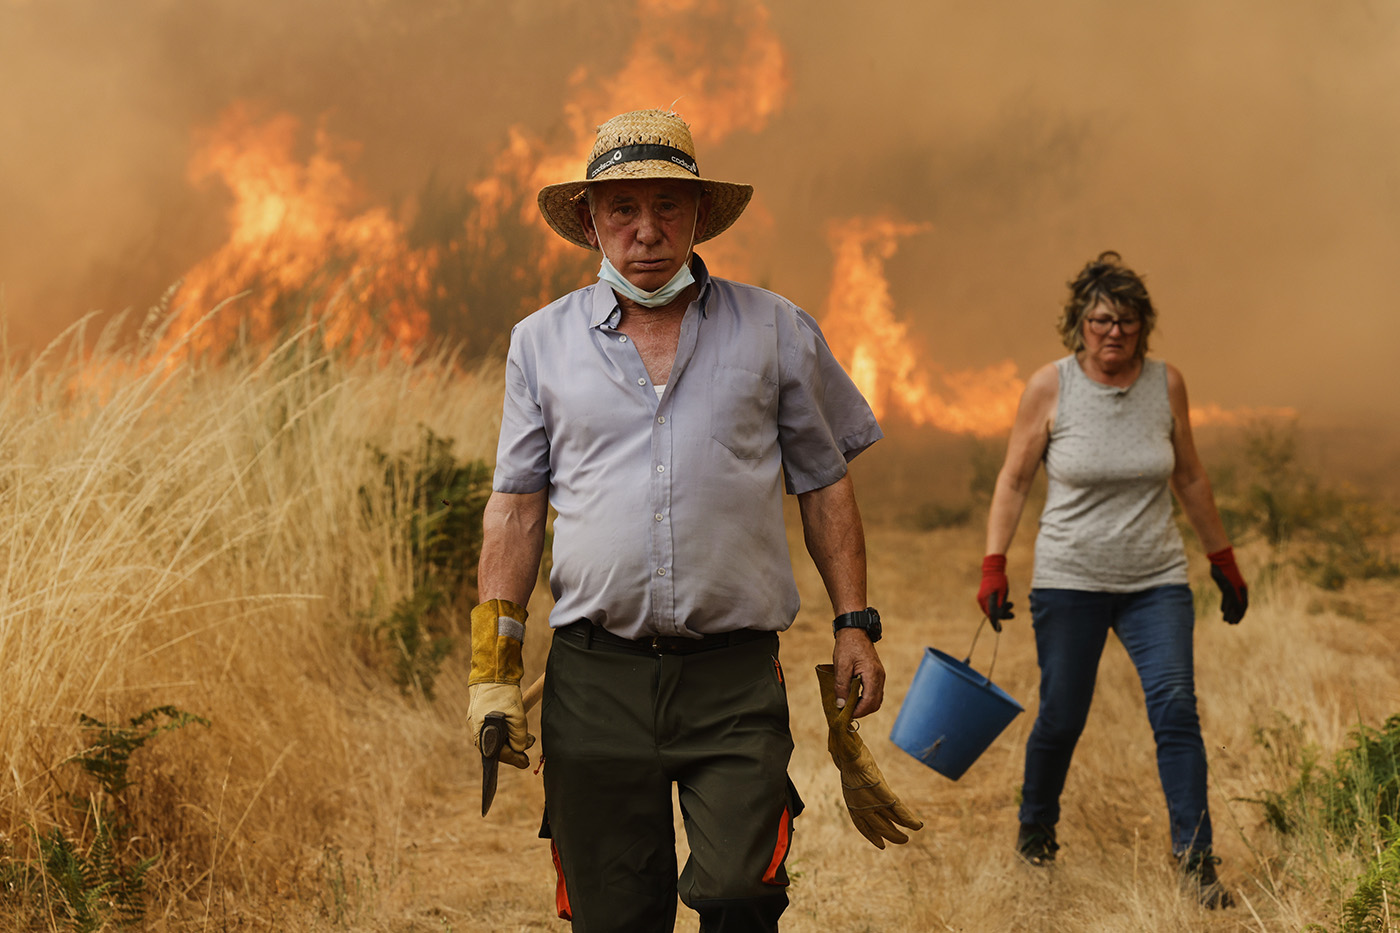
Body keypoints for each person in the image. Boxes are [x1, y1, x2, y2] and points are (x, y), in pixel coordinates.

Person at [467, 109, 920, 933]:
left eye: (668, 206)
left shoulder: (776, 328)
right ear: (591, 221)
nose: (647, 231)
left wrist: (855, 623)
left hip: (734, 679)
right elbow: (517, 505)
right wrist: (494, 662)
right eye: (624, 209)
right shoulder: (540, 345)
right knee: (612, 914)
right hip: (594, 680)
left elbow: (824, 482)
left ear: (700, 215)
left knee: (743, 892)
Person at [977, 251, 1248, 909]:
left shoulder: (1167, 384)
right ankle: (1036, 828)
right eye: (1100, 320)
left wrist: (1222, 559)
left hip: (1155, 578)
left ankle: (1196, 860)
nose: (1113, 333)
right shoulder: (1051, 386)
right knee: (1064, 713)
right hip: (1070, 579)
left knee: (1176, 708)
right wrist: (994, 563)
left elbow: (1188, 475)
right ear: (1079, 324)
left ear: (1143, 327)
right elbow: (1014, 478)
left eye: (1126, 321)